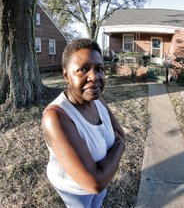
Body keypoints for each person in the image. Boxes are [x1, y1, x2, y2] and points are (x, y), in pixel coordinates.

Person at [42, 38, 126, 208]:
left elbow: (121, 134)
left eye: (99, 69)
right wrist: (121, 146)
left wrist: (104, 173)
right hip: (75, 191)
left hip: (101, 183)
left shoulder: (98, 100)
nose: (94, 77)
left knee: (98, 200)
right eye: (83, 69)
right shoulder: (56, 117)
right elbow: (94, 183)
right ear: (66, 75)